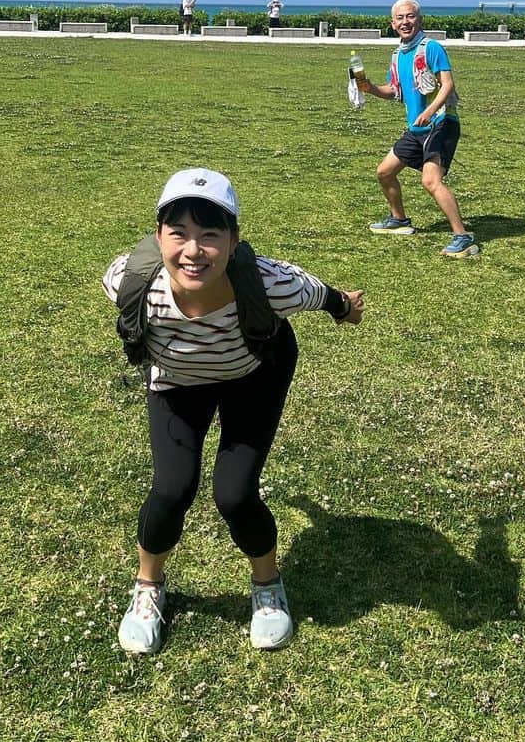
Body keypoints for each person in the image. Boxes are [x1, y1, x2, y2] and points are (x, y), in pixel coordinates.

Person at [102, 168, 364, 655]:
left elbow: (320, 292)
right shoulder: (131, 281)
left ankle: (267, 588)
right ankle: (147, 588)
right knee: (170, 489)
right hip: (179, 384)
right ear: (157, 236)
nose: (193, 251)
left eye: (210, 235)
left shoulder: (268, 283)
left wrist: (344, 306)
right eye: (178, 233)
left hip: (253, 376)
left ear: (235, 241)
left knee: (235, 493)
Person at [357, 0, 478, 258]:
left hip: (442, 122)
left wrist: (429, 111)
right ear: (392, 24)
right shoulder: (397, 54)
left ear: (419, 19)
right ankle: (399, 220)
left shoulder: (431, 48)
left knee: (431, 180)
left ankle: (463, 237)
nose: (405, 22)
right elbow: (394, 91)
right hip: (418, 127)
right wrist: (371, 88)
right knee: (384, 172)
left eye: (410, 16)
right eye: (400, 18)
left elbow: (447, 85)